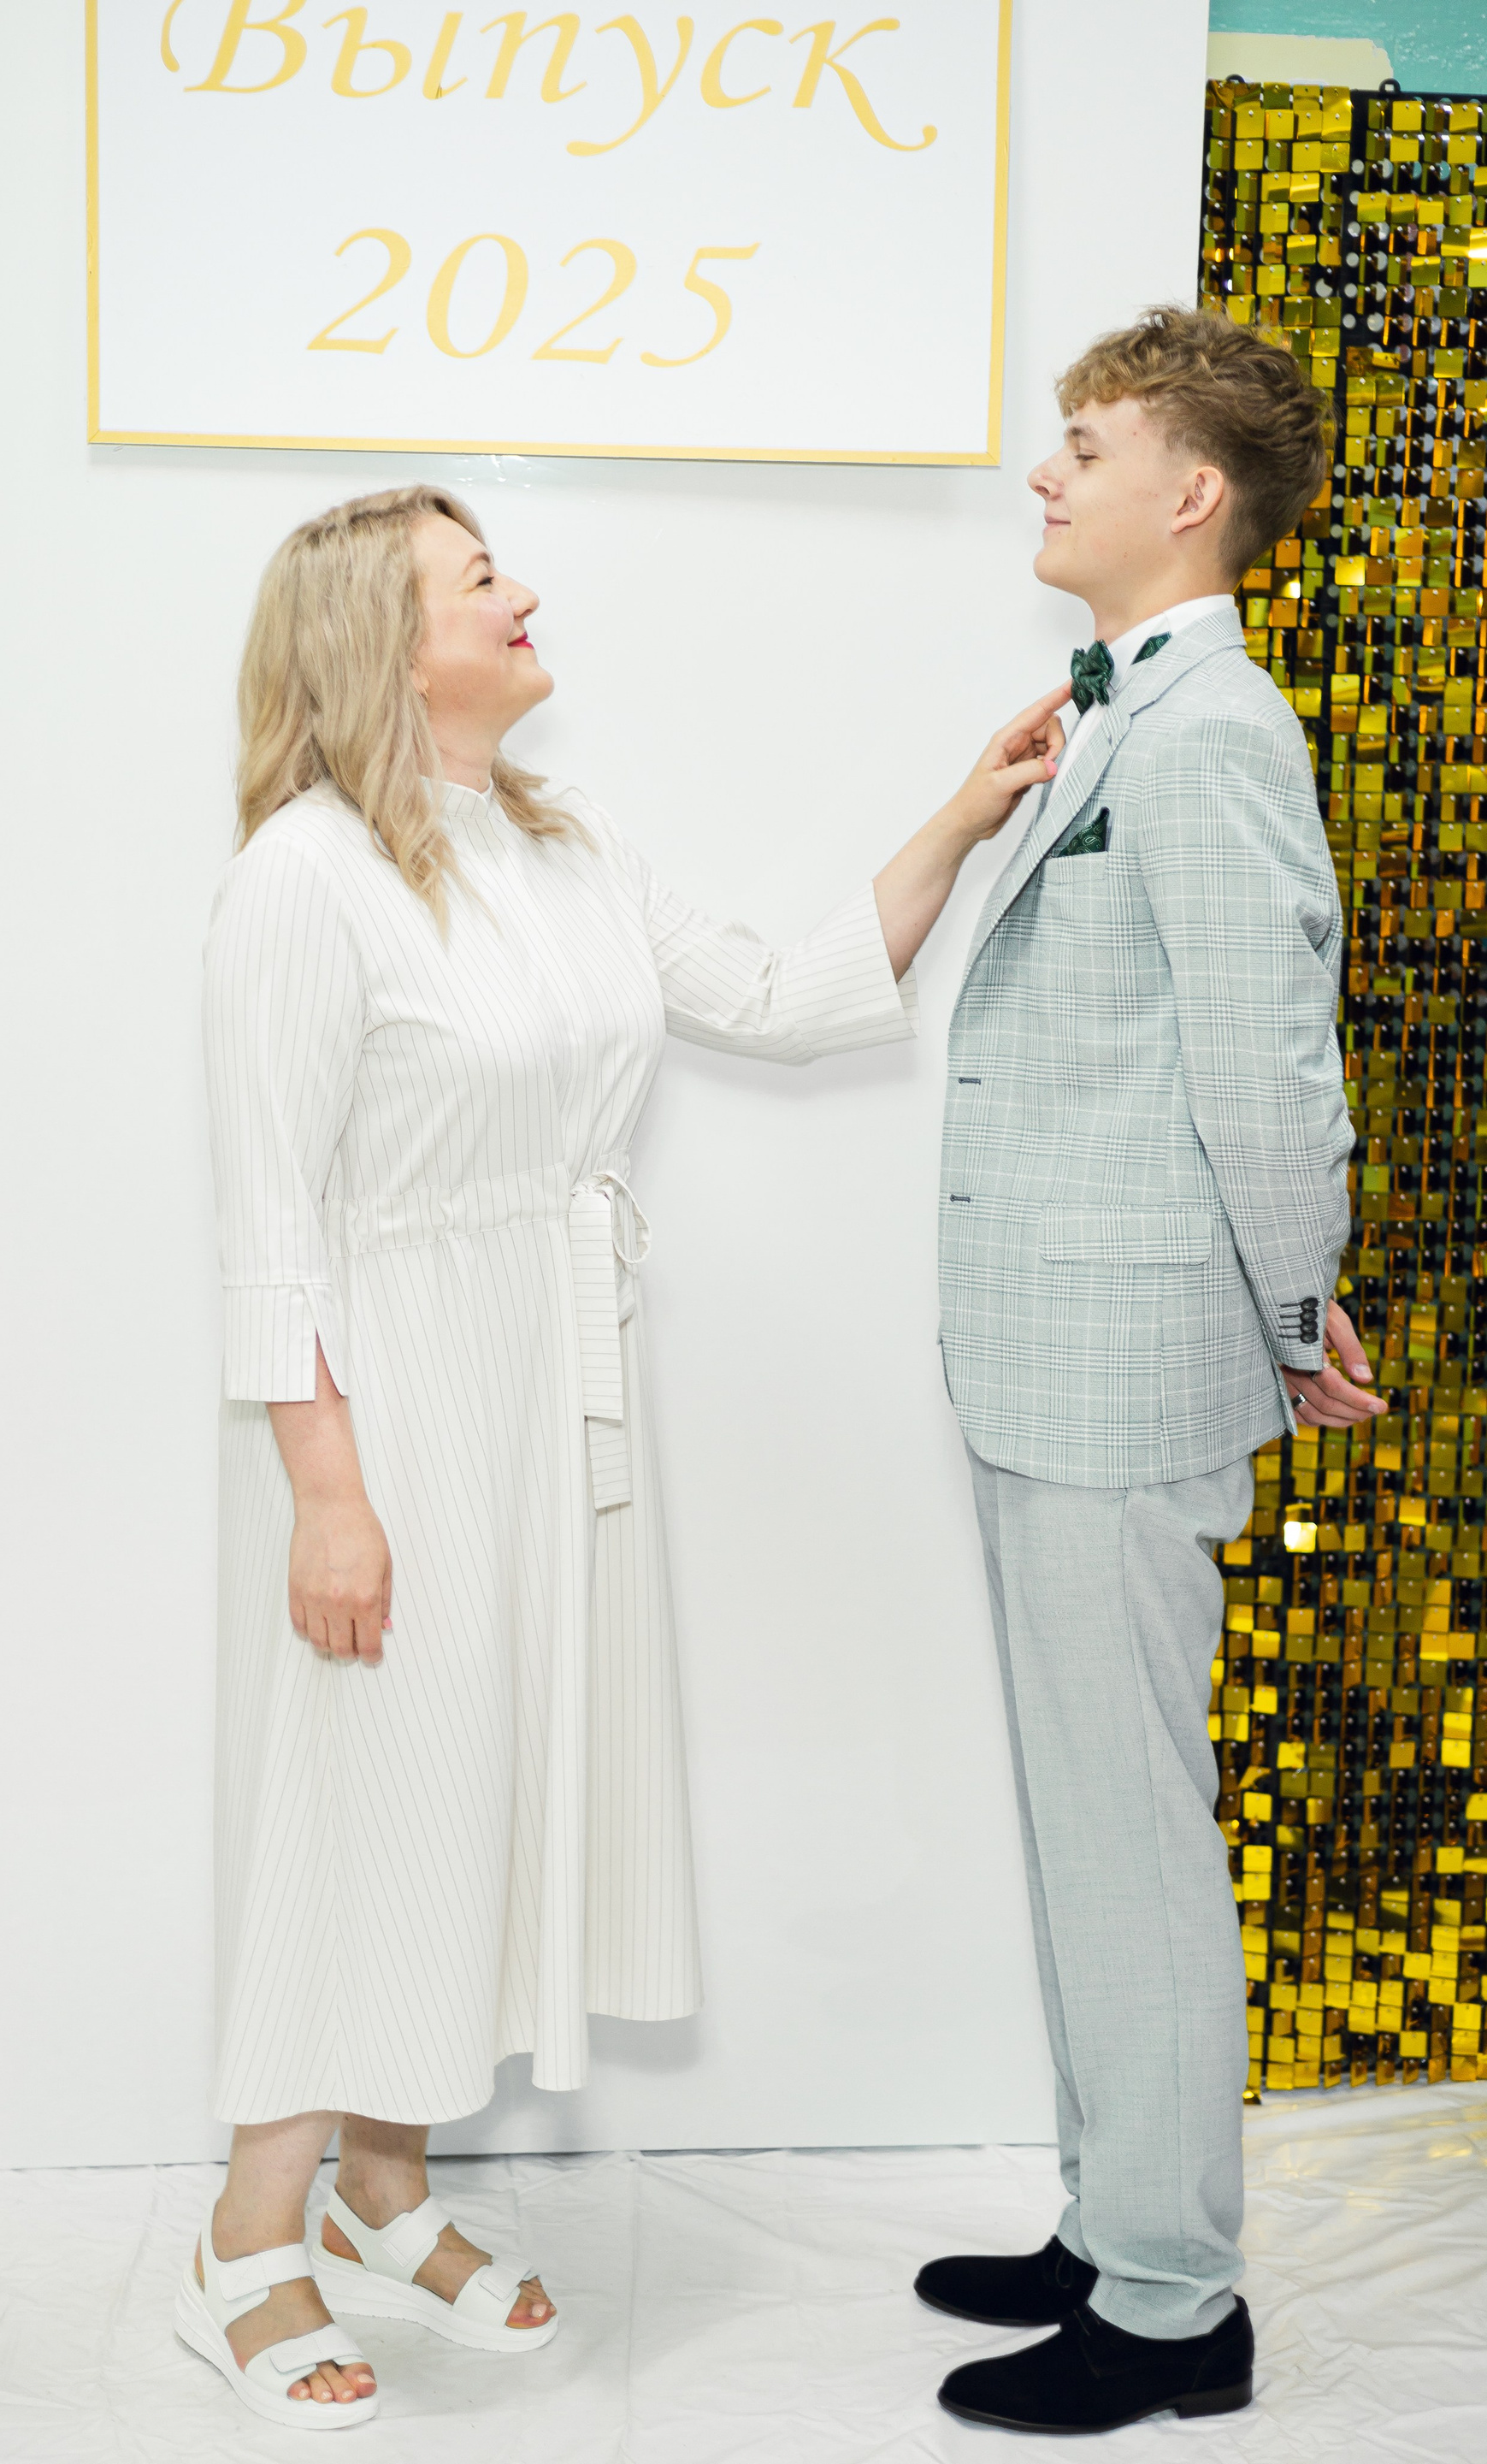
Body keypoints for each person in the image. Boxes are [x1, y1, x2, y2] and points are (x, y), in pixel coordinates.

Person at [181, 482, 1067, 2427]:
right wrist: (327, 1491)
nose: (523, 593)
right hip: (389, 1407)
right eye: (478, 578)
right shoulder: (302, 879)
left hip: (554, 1392)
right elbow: (269, 1223)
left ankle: (387, 2189)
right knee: (362, 1798)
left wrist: (965, 807)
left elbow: (778, 995)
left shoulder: (560, 845)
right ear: (380, 643)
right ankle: (246, 2232)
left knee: (477, 1793)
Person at [918, 308, 1387, 2437]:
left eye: (1086, 445)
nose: (1049, 472)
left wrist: (1300, 1309)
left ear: (1190, 495)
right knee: (1084, 1828)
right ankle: (1118, 2219)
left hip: (1124, 1364)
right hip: (1054, 1351)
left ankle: (1177, 2305)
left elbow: (1270, 1065)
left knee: (1130, 1836)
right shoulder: (1136, 707)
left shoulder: (1215, 734)